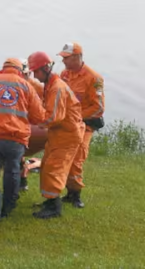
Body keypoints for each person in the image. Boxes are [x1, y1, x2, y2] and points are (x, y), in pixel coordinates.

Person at [0, 58, 46, 221]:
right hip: (16, 139)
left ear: (3, 68)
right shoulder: (26, 85)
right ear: (20, 70)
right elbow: (39, 116)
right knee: (12, 172)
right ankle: (8, 208)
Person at [27, 51, 84, 219]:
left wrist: (37, 122)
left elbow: (54, 117)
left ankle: (54, 207)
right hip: (58, 134)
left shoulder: (57, 87)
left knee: (54, 168)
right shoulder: (51, 84)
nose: (35, 76)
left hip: (67, 135)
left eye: (36, 72)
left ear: (45, 68)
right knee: (46, 165)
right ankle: (50, 200)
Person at [58, 42, 104, 209]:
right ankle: (67, 192)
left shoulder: (94, 78)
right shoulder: (64, 75)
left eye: (66, 58)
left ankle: (75, 194)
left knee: (77, 158)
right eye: (63, 58)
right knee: (63, 157)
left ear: (77, 57)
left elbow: (98, 107)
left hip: (85, 125)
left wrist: (77, 117)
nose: (63, 61)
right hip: (67, 124)